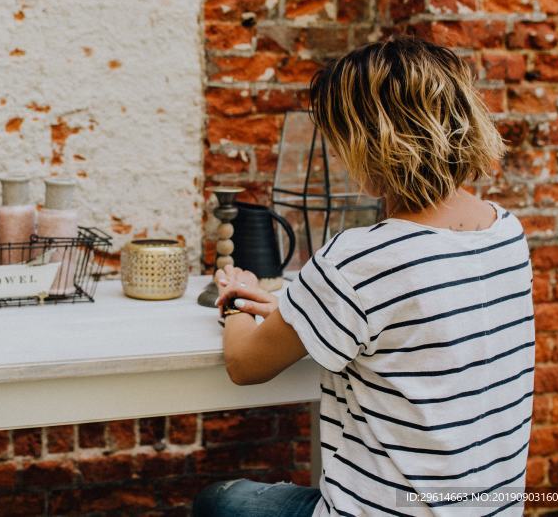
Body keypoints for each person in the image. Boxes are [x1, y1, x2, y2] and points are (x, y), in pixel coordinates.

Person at [193, 38, 534, 517]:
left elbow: (245, 365)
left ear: (370, 145)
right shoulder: (506, 230)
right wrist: (292, 309)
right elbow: (418, 323)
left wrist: (231, 299)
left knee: (219, 501)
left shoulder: (363, 257)